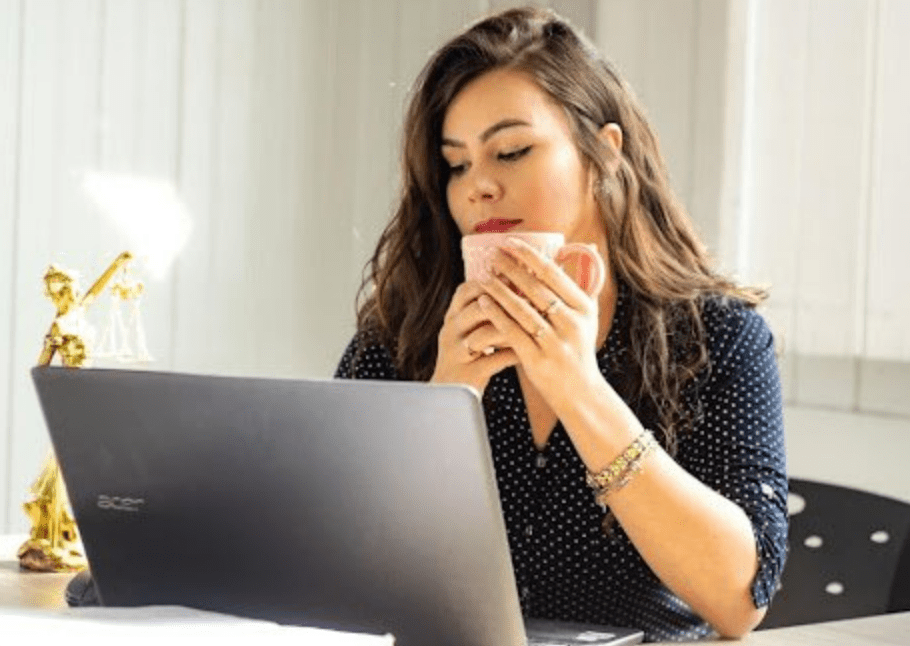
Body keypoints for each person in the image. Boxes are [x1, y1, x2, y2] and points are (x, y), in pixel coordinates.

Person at [334, 6, 786, 641]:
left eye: (511, 151)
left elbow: (739, 600)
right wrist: (442, 406)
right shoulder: (402, 334)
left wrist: (580, 389)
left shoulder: (718, 338)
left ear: (604, 154)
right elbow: (336, 573)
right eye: (456, 164)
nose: (478, 187)